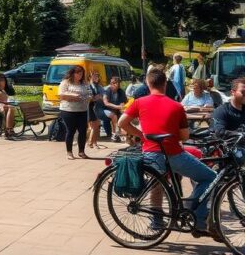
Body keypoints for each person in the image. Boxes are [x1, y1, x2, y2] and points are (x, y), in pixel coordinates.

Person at [119, 69, 216, 237]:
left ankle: (156, 221)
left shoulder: (139, 102)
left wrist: (141, 135)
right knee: (210, 177)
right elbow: (185, 136)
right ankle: (196, 215)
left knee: (157, 184)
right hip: (174, 153)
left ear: (148, 84)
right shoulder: (177, 106)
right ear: (165, 84)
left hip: (150, 152)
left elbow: (122, 122)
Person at [57, 66, 91, 159]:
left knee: (83, 131)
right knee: (71, 131)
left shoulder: (84, 83)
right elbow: (61, 95)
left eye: (81, 73)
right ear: (73, 73)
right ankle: (69, 152)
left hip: (82, 110)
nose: (80, 75)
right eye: (78, 73)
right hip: (68, 110)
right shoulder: (66, 82)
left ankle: (81, 151)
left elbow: (89, 93)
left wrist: (88, 96)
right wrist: (72, 96)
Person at [101, 76, 127, 142]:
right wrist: (118, 107)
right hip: (104, 109)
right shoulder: (107, 90)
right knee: (114, 115)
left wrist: (122, 106)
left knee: (125, 115)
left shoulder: (121, 91)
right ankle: (114, 134)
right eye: (113, 83)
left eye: (117, 83)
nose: (116, 84)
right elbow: (106, 103)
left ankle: (124, 134)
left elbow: (123, 102)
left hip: (116, 109)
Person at [86, 70, 105, 149]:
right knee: (94, 125)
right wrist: (94, 98)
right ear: (90, 77)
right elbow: (88, 98)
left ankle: (94, 142)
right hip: (90, 107)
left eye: (97, 76)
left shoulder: (98, 86)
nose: (97, 77)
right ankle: (90, 142)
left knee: (96, 125)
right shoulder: (88, 86)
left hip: (97, 107)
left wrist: (100, 97)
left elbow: (104, 95)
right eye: (94, 76)